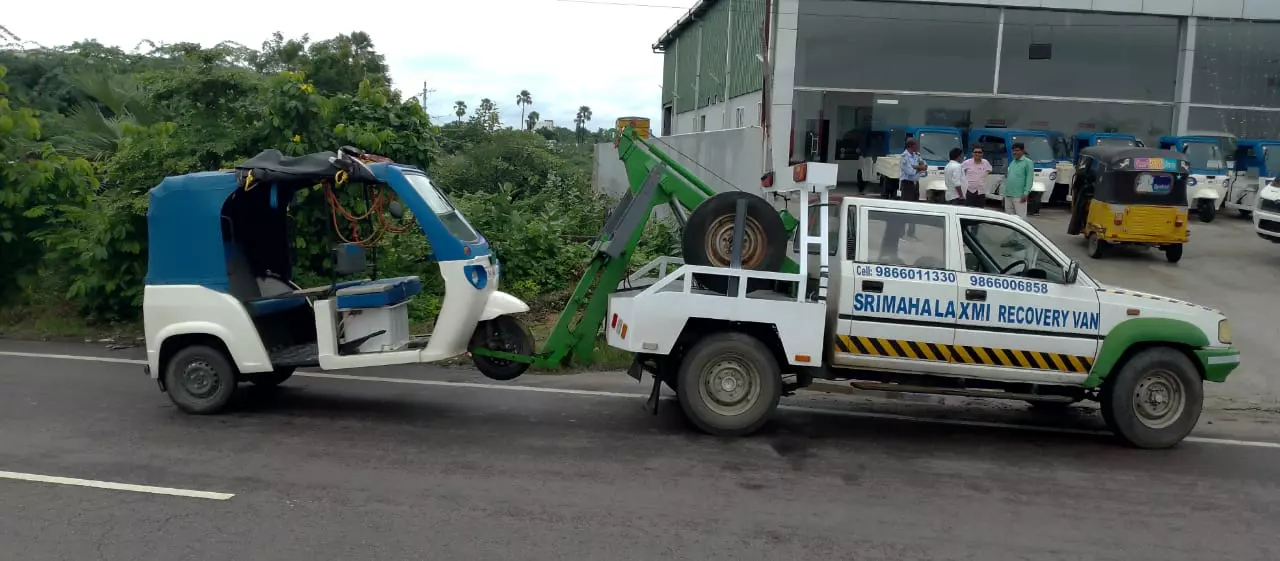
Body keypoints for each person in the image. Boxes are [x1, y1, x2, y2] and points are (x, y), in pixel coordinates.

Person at [1003, 142, 1033, 218]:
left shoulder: (1028, 162)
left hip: (1019, 195)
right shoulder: (1012, 162)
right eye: (1013, 150)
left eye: (1017, 150)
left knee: (1021, 218)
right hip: (1008, 194)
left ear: (1022, 151)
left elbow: (1029, 178)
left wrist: (1026, 193)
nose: (1014, 152)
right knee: (1009, 219)